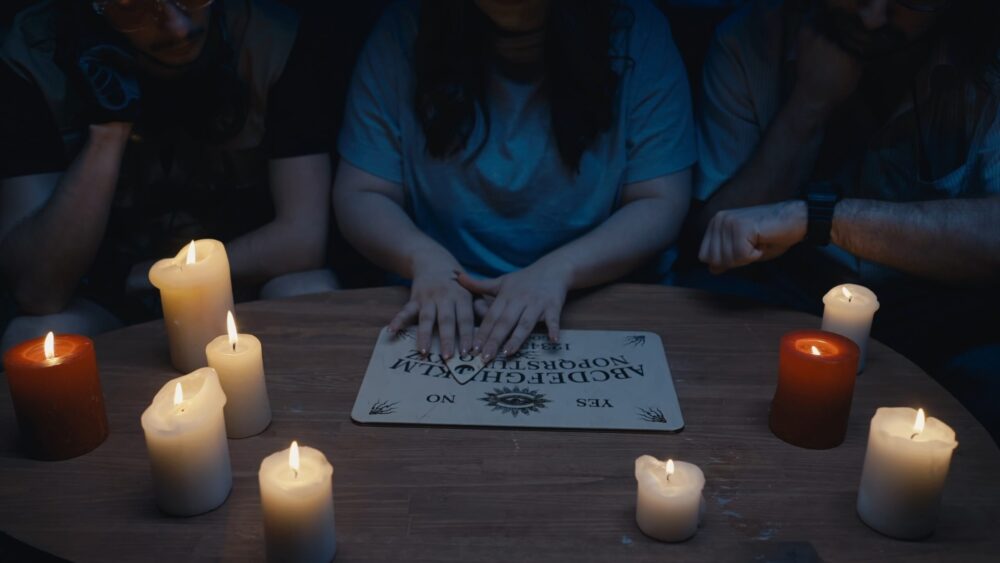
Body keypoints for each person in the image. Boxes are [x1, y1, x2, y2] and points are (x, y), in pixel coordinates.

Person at [688, 0, 1000, 437]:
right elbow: (715, 236)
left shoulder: (983, 61)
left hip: (944, 301)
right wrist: (809, 105)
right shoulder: (752, 39)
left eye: (909, 2)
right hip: (788, 283)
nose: (872, 17)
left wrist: (823, 219)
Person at [334, 0, 696, 362]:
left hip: (598, 299)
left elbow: (659, 200)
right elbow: (362, 191)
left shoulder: (636, 31)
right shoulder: (402, 30)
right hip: (440, 302)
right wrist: (422, 258)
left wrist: (561, 269)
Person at [0, 0, 337, 352]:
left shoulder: (266, 37)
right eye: (134, 6)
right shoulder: (34, 56)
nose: (177, 27)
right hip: (110, 305)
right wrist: (108, 130)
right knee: (29, 340)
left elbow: (303, 238)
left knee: (310, 291)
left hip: (237, 286)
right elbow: (37, 290)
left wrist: (145, 278)